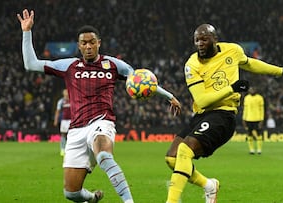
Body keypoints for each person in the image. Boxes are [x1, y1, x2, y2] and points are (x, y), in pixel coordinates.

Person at [17, 9, 181, 203]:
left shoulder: (113, 65)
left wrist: (168, 96)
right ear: (79, 46)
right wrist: (26, 32)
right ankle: (93, 198)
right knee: (71, 193)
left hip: (102, 122)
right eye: (84, 43)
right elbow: (31, 64)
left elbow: (142, 81)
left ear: (99, 43)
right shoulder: (69, 66)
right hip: (76, 130)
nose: (88, 46)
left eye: (92, 42)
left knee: (104, 155)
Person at [164, 23, 283, 203]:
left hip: (223, 115)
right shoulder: (192, 64)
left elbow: (251, 63)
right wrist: (232, 88)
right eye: (197, 40)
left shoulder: (233, 50)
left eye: (204, 39)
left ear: (215, 39)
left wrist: (282, 71)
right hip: (202, 114)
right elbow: (203, 100)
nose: (200, 43)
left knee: (184, 150)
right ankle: (209, 186)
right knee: (171, 158)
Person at [242, 87, 265, 155]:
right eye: (250, 89)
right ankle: (251, 149)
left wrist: (262, 120)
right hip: (248, 119)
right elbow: (245, 109)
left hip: (257, 119)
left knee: (259, 135)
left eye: (253, 89)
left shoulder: (260, 98)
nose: (251, 91)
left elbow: (262, 109)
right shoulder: (246, 98)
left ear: (256, 90)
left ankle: (259, 149)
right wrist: (244, 118)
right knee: (249, 134)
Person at [54, 88, 71, 156]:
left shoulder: (72, 100)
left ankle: (69, 148)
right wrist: (56, 120)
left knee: (71, 135)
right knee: (63, 134)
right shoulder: (61, 101)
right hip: (64, 121)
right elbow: (57, 111)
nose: (66, 94)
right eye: (65, 93)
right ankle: (62, 149)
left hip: (72, 120)